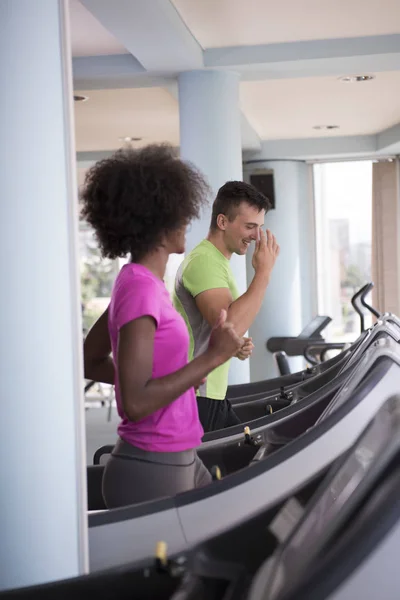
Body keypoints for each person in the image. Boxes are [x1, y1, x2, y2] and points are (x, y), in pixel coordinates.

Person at [81, 145, 242, 508]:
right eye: (181, 213)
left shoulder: (140, 282)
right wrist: (210, 359)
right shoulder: (140, 288)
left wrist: (180, 378)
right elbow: (136, 401)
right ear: (156, 221)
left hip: (179, 454)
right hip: (152, 465)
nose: (187, 220)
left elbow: (89, 361)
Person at [173, 181, 280, 433]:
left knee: (253, 456)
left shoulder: (216, 262)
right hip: (197, 396)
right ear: (222, 222)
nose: (256, 236)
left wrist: (236, 346)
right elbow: (228, 328)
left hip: (210, 394)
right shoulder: (204, 263)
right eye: (250, 226)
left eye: (260, 228)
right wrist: (263, 273)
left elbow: (220, 331)